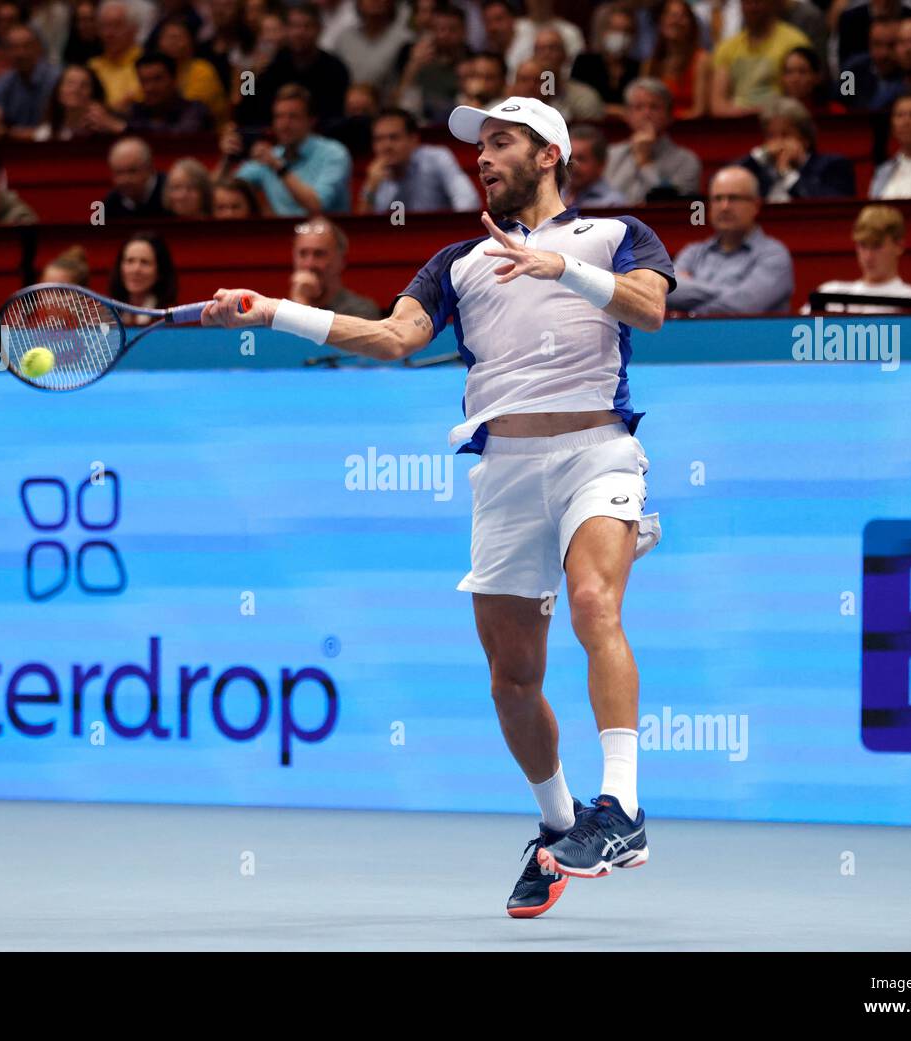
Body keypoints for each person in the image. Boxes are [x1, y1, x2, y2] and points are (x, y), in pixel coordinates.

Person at [202, 95, 676, 917]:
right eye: (479, 146)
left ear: (550, 154)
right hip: (504, 472)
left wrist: (561, 267)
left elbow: (651, 308)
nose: (483, 158)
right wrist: (273, 309)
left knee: (596, 603)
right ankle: (559, 825)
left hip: (598, 450)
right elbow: (393, 338)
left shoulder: (614, 235)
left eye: (502, 143)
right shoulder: (456, 260)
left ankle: (623, 809)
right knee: (511, 680)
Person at [666, 164, 795, 313]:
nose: (724, 206)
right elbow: (667, 290)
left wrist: (692, 307)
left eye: (733, 198)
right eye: (717, 198)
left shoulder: (774, 255)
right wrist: (732, 292)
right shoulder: (693, 252)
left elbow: (745, 305)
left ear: (756, 205)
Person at [225, 84, 353, 216]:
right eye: (279, 117)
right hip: (282, 235)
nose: (284, 124)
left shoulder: (334, 154)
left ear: (311, 121)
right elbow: (222, 191)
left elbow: (316, 205)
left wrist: (279, 167)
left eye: (293, 117)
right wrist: (227, 160)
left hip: (325, 232)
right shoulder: (271, 157)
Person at [238, 3, 351, 125]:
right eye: (294, 26)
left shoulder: (335, 68)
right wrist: (249, 75)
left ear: (319, 29)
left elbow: (336, 118)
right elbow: (245, 109)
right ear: (286, 30)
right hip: (270, 137)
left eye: (307, 26)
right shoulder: (269, 64)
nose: (300, 33)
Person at [358, 106, 481, 213]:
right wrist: (371, 188)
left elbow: (469, 202)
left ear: (413, 139)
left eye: (394, 138)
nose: (386, 146)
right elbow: (363, 231)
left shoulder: (437, 158)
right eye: (379, 139)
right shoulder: (375, 176)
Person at [802, 204, 911, 313]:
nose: (868, 256)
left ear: (899, 246)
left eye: (876, 246)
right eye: (863, 246)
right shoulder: (829, 291)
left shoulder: (909, 297)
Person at [603, 77, 702, 203]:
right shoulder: (610, 156)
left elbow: (670, 206)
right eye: (638, 107)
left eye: (654, 107)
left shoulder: (687, 161)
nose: (646, 114)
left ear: (669, 115)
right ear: (627, 116)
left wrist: (645, 163)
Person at [737, 97, 855, 200]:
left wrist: (787, 173)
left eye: (786, 135)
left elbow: (828, 207)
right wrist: (760, 155)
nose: (777, 143)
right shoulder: (760, 171)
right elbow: (725, 180)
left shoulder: (833, 165)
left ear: (805, 139)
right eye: (771, 136)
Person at [710, 0, 811, 117]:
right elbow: (717, 105)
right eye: (748, 3)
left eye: (758, 2)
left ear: (771, 4)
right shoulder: (726, 48)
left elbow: (799, 98)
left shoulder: (795, 42)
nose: (753, 7)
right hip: (736, 124)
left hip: (782, 120)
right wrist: (752, 113)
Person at [0, 24, 61, 140]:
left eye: (26, 46)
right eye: (14, 48)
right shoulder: (3, 81)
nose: (21, 53)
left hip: (53, 148)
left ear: (38, 48)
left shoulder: (55, 79)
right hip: (14, 150)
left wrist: (10, 133)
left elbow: (52, 130)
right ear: (6, 52)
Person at [286, 218, 381, 319]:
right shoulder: (278, 311)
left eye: (319, 254)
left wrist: (301, 303)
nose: (309, 264)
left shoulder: (362, 310)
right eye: (302, 253)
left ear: (341, 261)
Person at [641, 0, 709, 120]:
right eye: (670, 15)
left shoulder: (701, 60)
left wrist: (667, 120)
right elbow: (643, 105)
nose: (675, 21)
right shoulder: (649, 64)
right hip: (655, 130)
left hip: (690, 130)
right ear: (661, 22)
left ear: (692, 24)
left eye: (682, 16)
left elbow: (700, 111)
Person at [33, 64, 120, 141]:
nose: (76, 89)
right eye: (70, 83)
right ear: (58, 92)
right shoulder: (45, 134)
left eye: (84, 85)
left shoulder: (107, 132)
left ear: (94, 94)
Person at [108, 232, 177, 323]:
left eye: (145, 262)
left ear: (160, 271)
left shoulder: (172, 317)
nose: (136, 270)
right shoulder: (107, 317)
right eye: (130, 261)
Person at [563, 124, 627, 208]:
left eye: (581, 159)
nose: (572, 164)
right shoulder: (555, 195)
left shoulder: (612, 203)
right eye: (569, 157)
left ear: (601, 165)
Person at [103, 136, 167, 218]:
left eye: (132, 171)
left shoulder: (172, 194)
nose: (125, 179)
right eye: (119, 173)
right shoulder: (110, 203)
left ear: (150, 169)